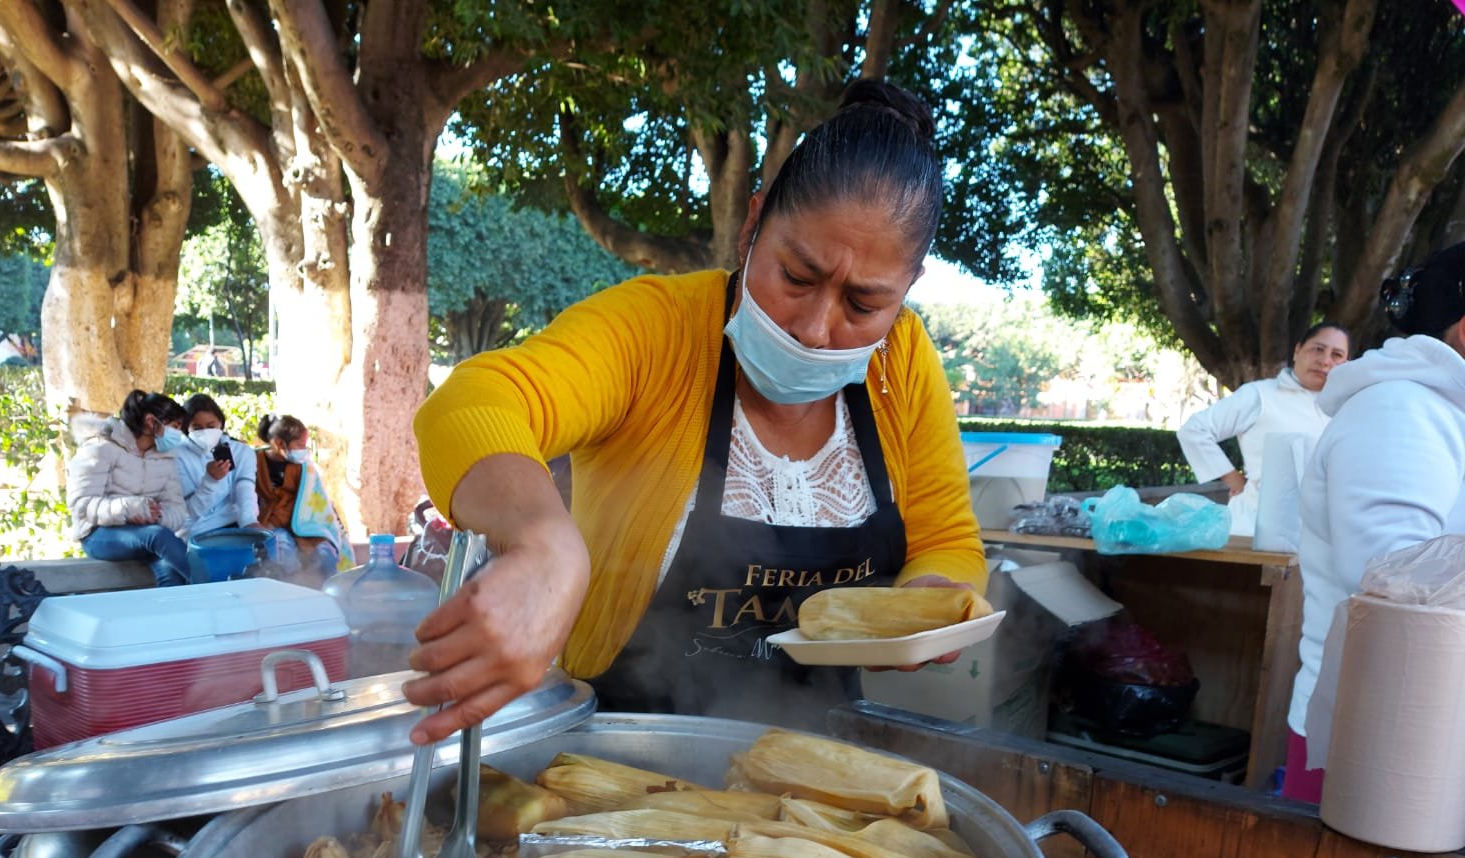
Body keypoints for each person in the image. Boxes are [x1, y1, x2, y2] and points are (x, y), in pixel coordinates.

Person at [407, 79, 986, 746]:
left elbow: (946, 538)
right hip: (614, 763)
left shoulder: (902, 363)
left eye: (863, 304)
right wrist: (543, 541)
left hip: (811, 771)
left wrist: (931, 600)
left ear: (907, 289)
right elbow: (474, 401)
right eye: (796, 277)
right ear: (753, 224)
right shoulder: (658, 329)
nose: (817, 328)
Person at [1283, 242, 1465, 803]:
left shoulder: (1441, 412)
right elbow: (1398, 586)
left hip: (1423, 735)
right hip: (1377, 742)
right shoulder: (1403, 411)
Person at [1177, 322, 1351, 538]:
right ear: (1297, 350)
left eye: (1337, 355)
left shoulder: (1346, 409)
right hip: (1255, 529)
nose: (1325, 361)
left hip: (1321, 537)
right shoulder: (1260, 395)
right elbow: (1195, 430)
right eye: (1318, 349)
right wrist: (1233, 479)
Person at [66, 389, 190, 586]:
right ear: (151, 421)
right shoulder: (100, 447)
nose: (179, 434)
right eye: (175, 427)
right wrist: (130, 509)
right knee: (158, 536)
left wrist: (157, 515)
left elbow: (177, 509)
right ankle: (215, 587)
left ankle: (170, 616)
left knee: (171, 572)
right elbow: (81, 504)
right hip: (98, 534)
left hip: (146, 534)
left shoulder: (165, 457)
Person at [253, 413, 346, 582]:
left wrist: (276, 521)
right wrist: (267, 524)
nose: (304, 449)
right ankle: (291, 593)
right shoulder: (253, 462)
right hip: (264, 524)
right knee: (282, 549)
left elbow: (307, 501)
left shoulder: (303, 468)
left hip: (306, 524)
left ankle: (325, 592)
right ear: (279, 443)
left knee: (326, 553)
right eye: (299, 444)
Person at [177, 393, 260, 537]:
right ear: (186, 429)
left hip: (236, 523)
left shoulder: (242, 451)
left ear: (220, 423)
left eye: (211, 426)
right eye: (197, 428)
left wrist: (249, 522)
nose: (205, 432)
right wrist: (210, 481)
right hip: (197, 530)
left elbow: (244, 488)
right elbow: (192, 511)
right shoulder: (177, 456)